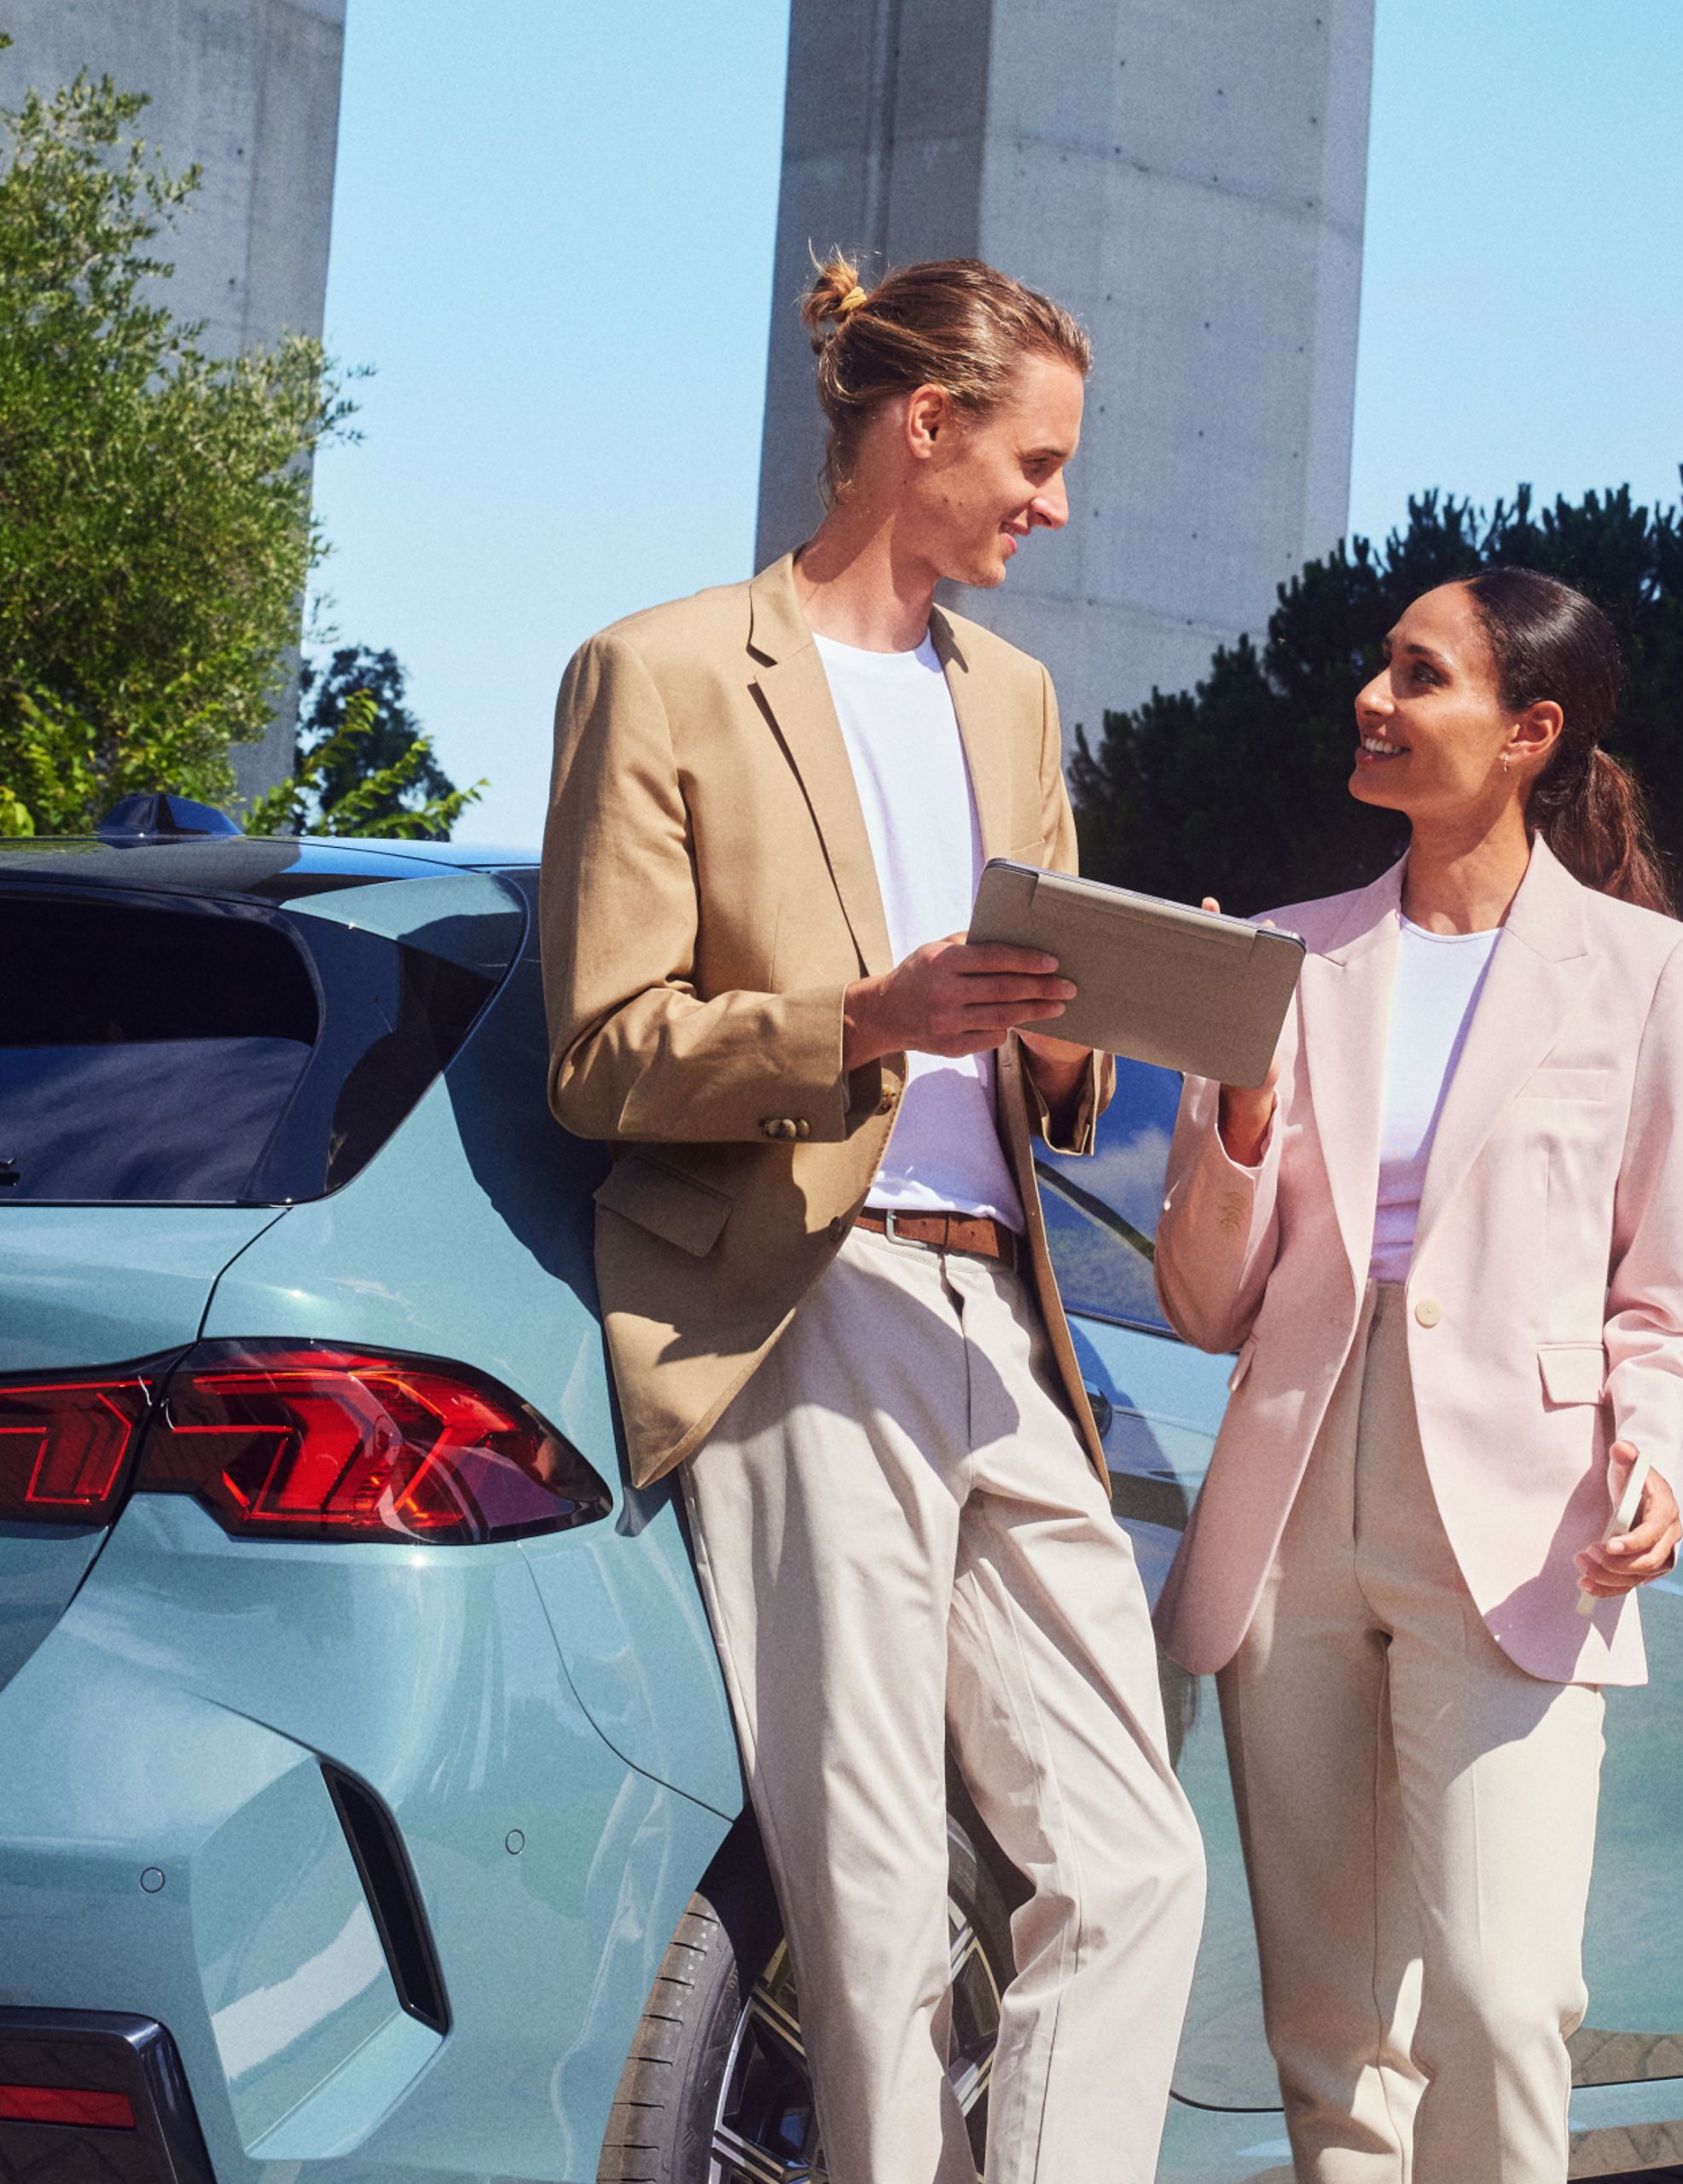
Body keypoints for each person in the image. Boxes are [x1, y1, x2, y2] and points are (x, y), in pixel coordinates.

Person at [540, 255, 1204, 2184]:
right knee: (876, 1883)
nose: (1054, 508)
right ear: (922, 427)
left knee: (1133, 1855)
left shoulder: (1011, 695)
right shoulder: (658, 671)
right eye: (1037, 458)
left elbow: (1045, 1048)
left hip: (1007, 1316)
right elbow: (600, 1048)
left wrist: (1133, 1034)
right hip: (801, 1299)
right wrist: (865, 1022)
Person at [1152, 568, 1683, 2184]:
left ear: (1529, 732)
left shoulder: (1652, 975)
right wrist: (1240, 1123)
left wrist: (1665, 1460)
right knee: (1331, 2028)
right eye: (1378, 669)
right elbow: (1205, 1298)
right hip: (1292, 1505)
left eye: (1422, 677)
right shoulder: (1285, 955)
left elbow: (1666, 1301)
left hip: (1525, 1519)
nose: (1375, 699)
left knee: (1501, 1993)